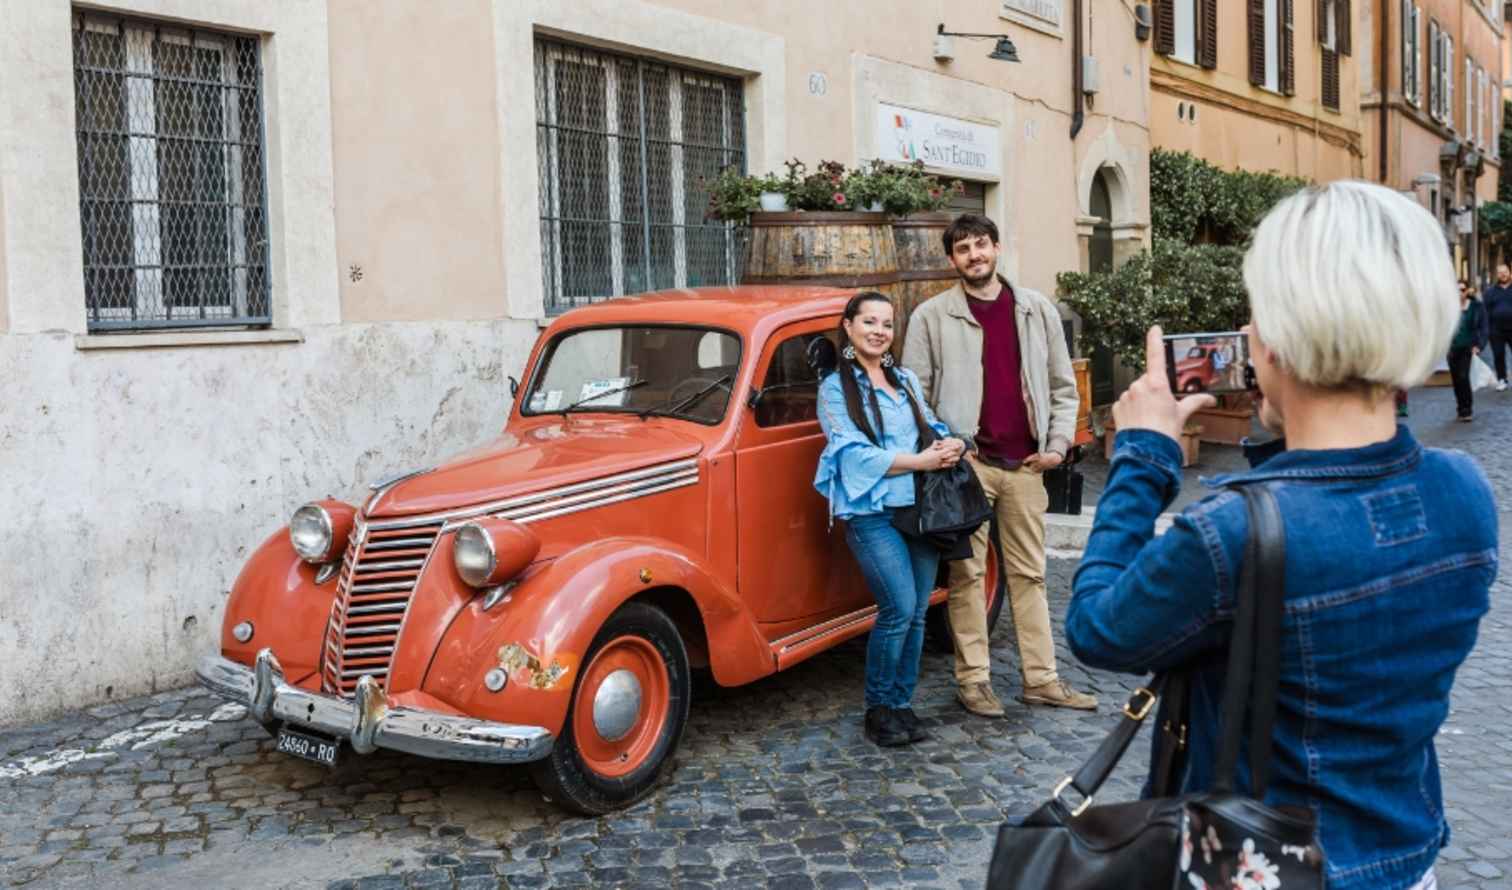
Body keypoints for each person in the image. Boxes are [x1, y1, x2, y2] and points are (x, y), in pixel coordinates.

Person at [1066, 181, 1495, 890]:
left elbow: (1098, 627)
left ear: (1275, 342)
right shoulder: (1464, 492)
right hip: (1405, 857)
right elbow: (1339, 502)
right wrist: (1281, 424)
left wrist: (1143, 452)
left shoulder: (1228, 534)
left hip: (1267, 868)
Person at [902, 214, 1097, 717]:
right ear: (952, 260)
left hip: (1027, 466)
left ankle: (1042, 679)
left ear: (996, 247)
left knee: (1030, 575)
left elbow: (1061, 385)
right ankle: (974, 682)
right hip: (966, 467)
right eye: (963, 248)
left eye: (981, 245)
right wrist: (948, 443)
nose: (974, 255)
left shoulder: (1036, 310)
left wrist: (1057, 446)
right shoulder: (930, 316)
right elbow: (915, 395)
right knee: (967, 576)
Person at [814, 291, 967, 748]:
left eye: (886, 324)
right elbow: (851, 454)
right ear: (848, 326)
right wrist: (919, 462)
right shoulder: (834, 389)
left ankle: (902, 703)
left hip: (918, 510)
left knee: (919, 611)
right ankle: (878, 708)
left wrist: (950, 443)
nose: (879, 331)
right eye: (869, 322)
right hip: (871, 511)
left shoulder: (904, 380)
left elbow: (930, 425)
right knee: (898, 608)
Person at [1447, 279, 1490, 421]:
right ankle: (1460, 407)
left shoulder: (1476, 307)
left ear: (1467, 291)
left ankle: (1467, 410)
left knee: (1463, 377)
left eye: (1462, 289)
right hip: (1452, 349)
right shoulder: (1449, 307)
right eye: (1456, 290)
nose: (1459, 293)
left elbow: (1483, 327)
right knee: (1456, 380)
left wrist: (1479, 345)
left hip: (1468, 347)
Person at [1481, 263, 1512, 390]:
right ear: (1497, 275)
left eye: (1505, 272)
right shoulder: (1490, 292)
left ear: (1509, 273)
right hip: (1496, 330)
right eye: (1500, 272)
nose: (1503, 274)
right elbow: (1485, 312)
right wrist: (1486, 330)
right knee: (1498, 355)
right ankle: (1502, 379)